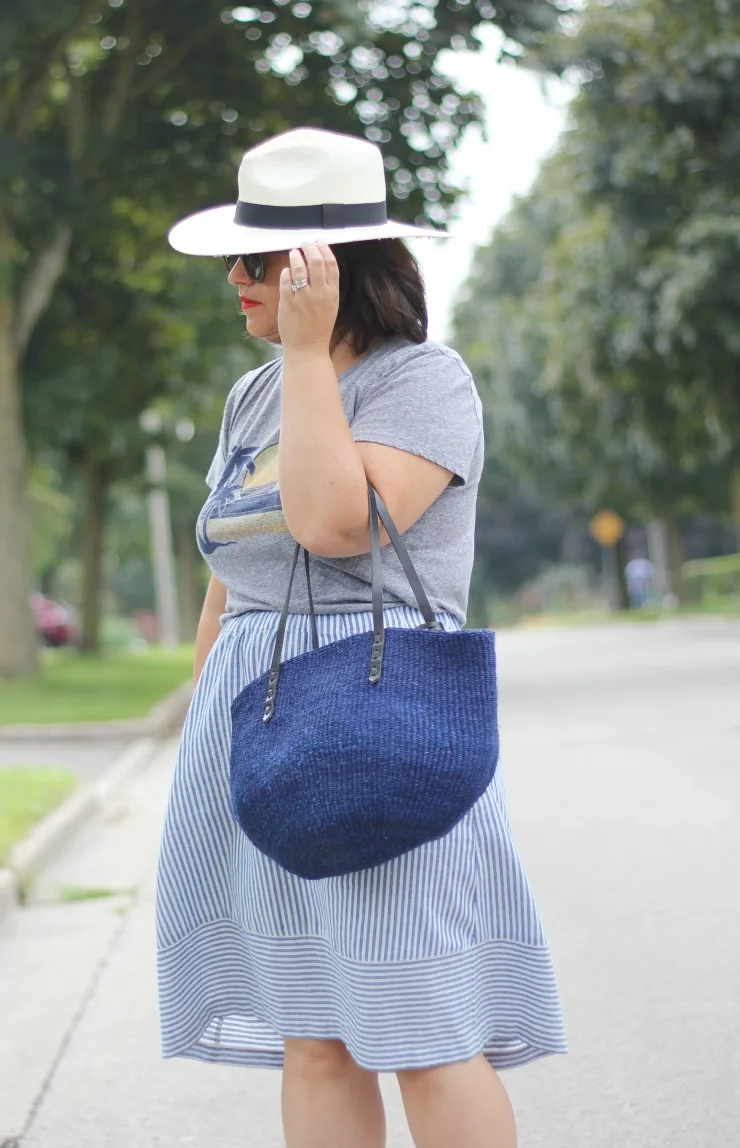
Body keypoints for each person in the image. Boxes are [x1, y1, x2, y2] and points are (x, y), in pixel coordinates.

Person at [158, 127, 566, 1148]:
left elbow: (333, 523)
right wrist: (209, 723)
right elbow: (231, 570)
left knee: (420, 1023)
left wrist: (308, 353)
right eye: (234, 261)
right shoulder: (251, 396)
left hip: (374, 714)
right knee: (311, 1032)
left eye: (258, 262)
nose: (237, 282)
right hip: (260, 727)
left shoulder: (422, 382)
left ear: (329, 270)